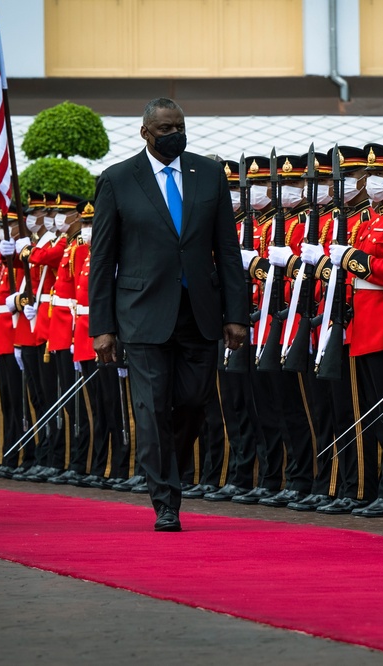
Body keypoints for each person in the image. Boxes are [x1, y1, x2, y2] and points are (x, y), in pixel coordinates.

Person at [89, 97, 249, 532]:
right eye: (165, 128)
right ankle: (165, 500)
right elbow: (102, 260)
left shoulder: (209, 174)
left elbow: (227, 250)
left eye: (179, 125)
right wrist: (101, 326)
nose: (175, 133)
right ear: (146, 133)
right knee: (152, 406)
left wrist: (237, 313)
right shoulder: (118, 179)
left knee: (194, 404)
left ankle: (168, 473)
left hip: (199, 312)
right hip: (141, 316)